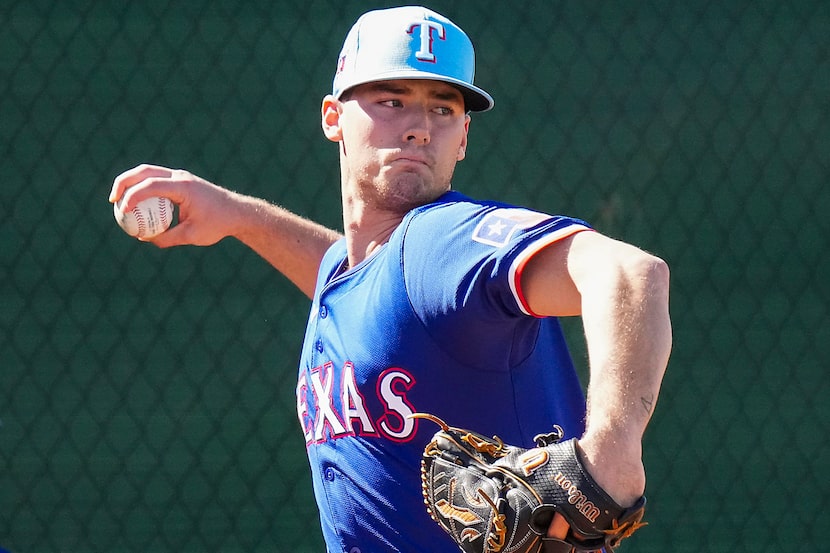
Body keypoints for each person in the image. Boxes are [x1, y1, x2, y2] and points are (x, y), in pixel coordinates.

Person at [109, 6, 672, 553]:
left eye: (443, 109)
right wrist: (238, 215)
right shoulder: (364, 272)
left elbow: (629, 274)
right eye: (392, 100)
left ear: (465, 137)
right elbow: (360, 282)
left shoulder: (441, 241)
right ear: (334, 117)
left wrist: (612, 451)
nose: (420, 128)